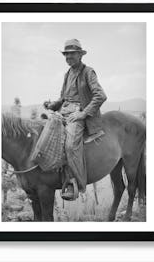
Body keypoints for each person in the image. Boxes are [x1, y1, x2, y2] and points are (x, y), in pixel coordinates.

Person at [44, 39, 107, 200]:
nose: (68, 57)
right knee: (46, 135)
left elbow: (101, 96)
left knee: (71, 145)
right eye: (66, 54)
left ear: (80, 55)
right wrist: (53, 105)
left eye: (72, 54)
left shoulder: (88, 72)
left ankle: (76, 183)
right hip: (64, 111)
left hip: (78, 113)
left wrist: (83, 113)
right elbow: (63, 98)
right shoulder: (68, 73)